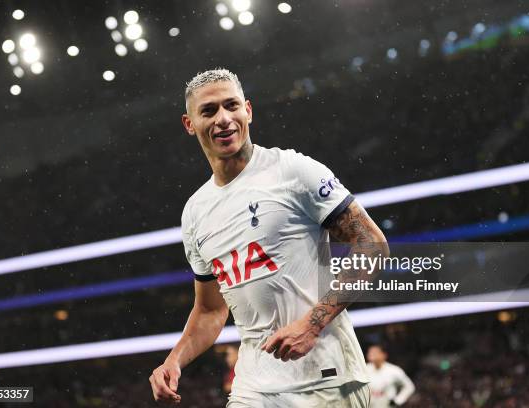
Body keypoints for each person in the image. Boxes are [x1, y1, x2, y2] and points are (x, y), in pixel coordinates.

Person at [149, 68, 389, 407]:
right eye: (209, 110)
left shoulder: (293, 171)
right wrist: (174, 359)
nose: (224, 119)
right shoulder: (194, 213)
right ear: (190, 124)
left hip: (327, 380)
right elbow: (209, 310)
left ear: (248, 110)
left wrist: (310, 325)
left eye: (231, 106)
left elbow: (372, 245)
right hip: (255, 385)